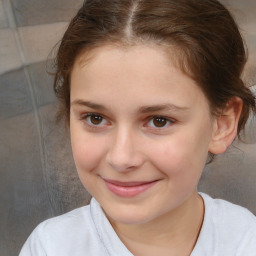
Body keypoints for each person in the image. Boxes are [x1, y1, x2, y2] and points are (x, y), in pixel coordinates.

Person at [19, 0, 256, 255]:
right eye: (95, 118)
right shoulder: (50, 247)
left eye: (159, 121)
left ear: (222, 123)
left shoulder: (246, 241)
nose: (121, 158)